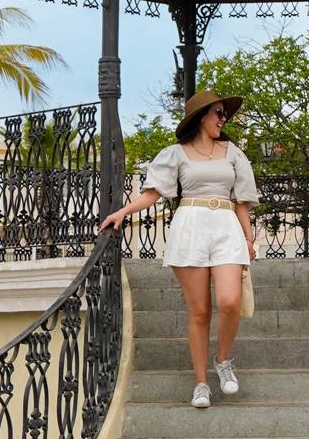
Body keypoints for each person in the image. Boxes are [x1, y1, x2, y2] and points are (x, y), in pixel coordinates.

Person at [100, 90, 258, 409]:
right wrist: (122, 212)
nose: (223, 119)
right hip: (190, 226)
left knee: (230, 301)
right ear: (201, 116)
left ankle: (223, 360)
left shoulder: (233, 153)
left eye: (224, 114)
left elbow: (242, 200)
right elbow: (153, 194)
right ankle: (201, 382)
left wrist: (249, 237)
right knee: (200, 310)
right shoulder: (176, 153)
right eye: (218, 113)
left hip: (226, 225)